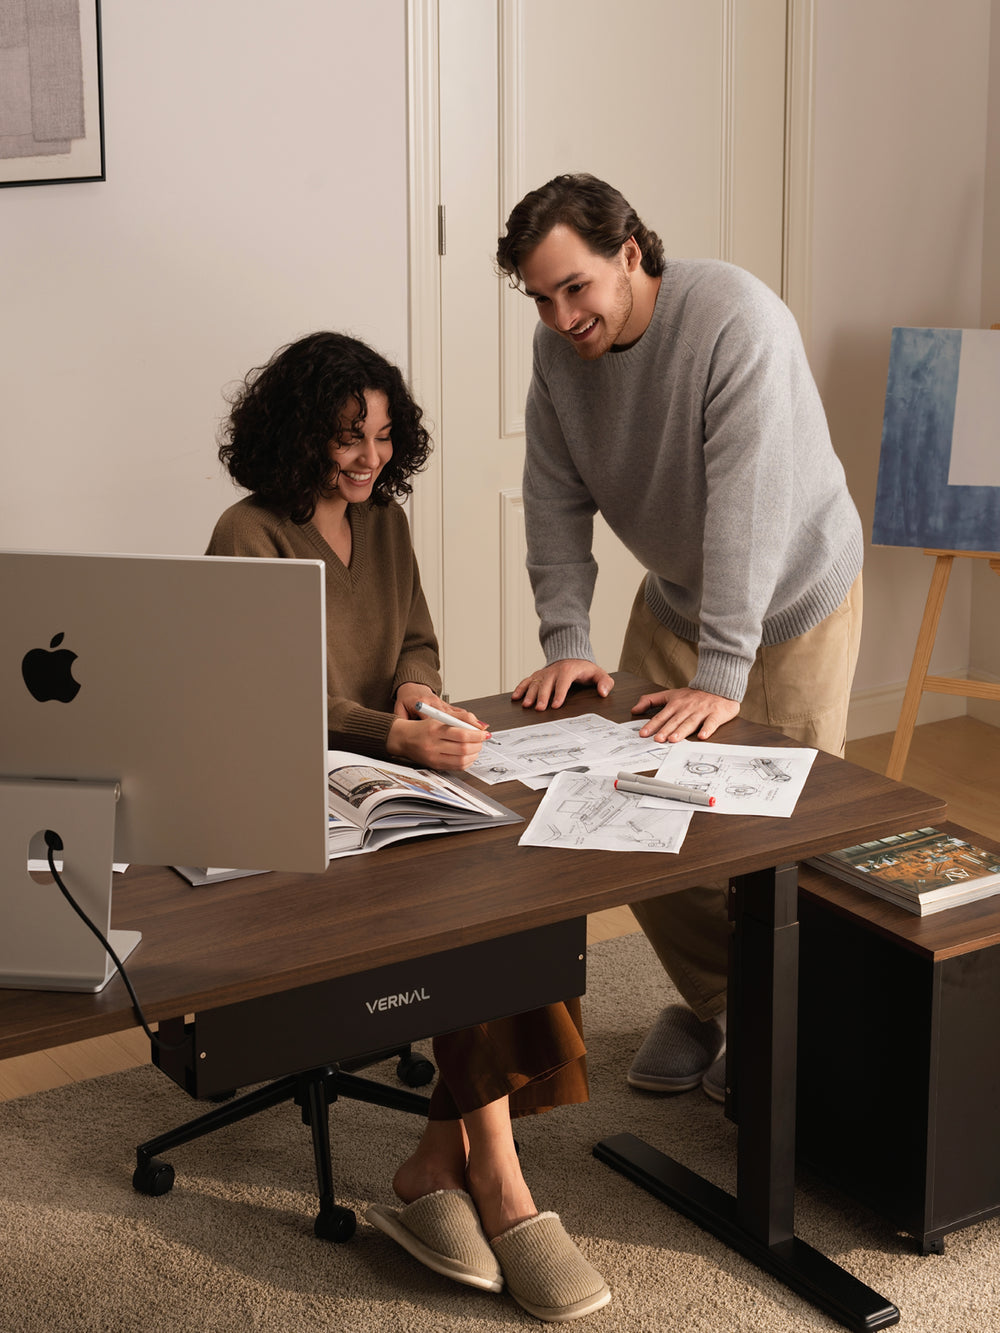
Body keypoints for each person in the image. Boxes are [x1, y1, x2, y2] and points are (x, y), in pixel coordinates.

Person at [206, 331, 610, 1322]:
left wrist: (420, 697)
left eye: (384, 436)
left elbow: (415, 634)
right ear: (299, 431)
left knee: (508, 894)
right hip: (280, 782)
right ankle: (504, 1186)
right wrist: (388, 727)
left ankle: (438, 1158)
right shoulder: (246, 532)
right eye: (348, 436)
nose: (367, 457)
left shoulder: (382, 521)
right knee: (456, 916)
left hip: (385, 771)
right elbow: (268, 689)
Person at [496, 174, 863, 1102]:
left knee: (772, 843)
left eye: (574, 286)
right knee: (617, 814)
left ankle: (785, 1028)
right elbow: (552, 496)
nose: (560, 314)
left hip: (790, 603)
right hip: (675, 598)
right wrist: (568, 638)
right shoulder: (557, 354)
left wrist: (724, 671)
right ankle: (723, 1003)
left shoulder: (738, 322)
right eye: (540, 297)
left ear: (629, 253)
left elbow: (746, 507)